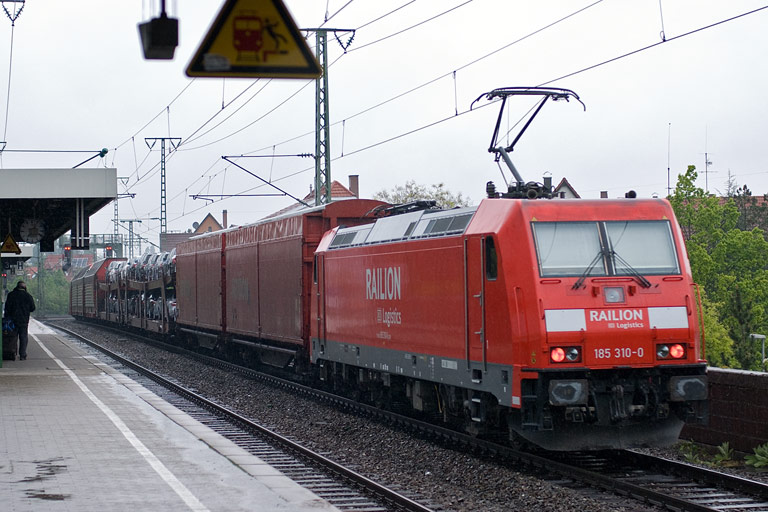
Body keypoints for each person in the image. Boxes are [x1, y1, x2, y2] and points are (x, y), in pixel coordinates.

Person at [5, 280, 35, 360]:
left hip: (12, 320)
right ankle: (22, 355)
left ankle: (12, 353)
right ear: (25, 288)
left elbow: (7, 307)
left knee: (12, 337)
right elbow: (33, 308)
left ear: (16, 286)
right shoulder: (28, 296)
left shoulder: (11, 295)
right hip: (24, 321)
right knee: (23, 337)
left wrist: (7, 317)